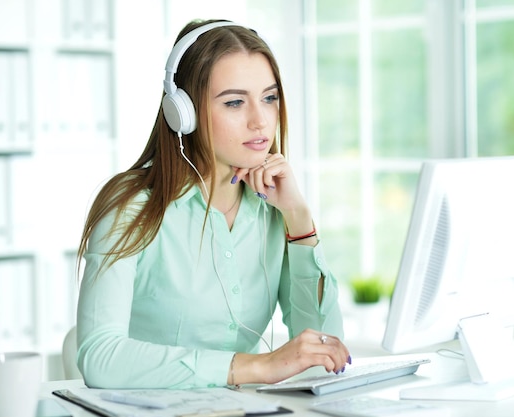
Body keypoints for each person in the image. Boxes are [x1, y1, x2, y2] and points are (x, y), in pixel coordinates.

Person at [75, 18, 350, 389]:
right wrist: (254, 367)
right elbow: (100, 357)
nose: (260, 121)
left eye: (269, 98)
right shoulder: (130, 208)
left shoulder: (271, 206)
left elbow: (324, 351)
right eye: (235, 102)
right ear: (182, 113)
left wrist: (298, 219)